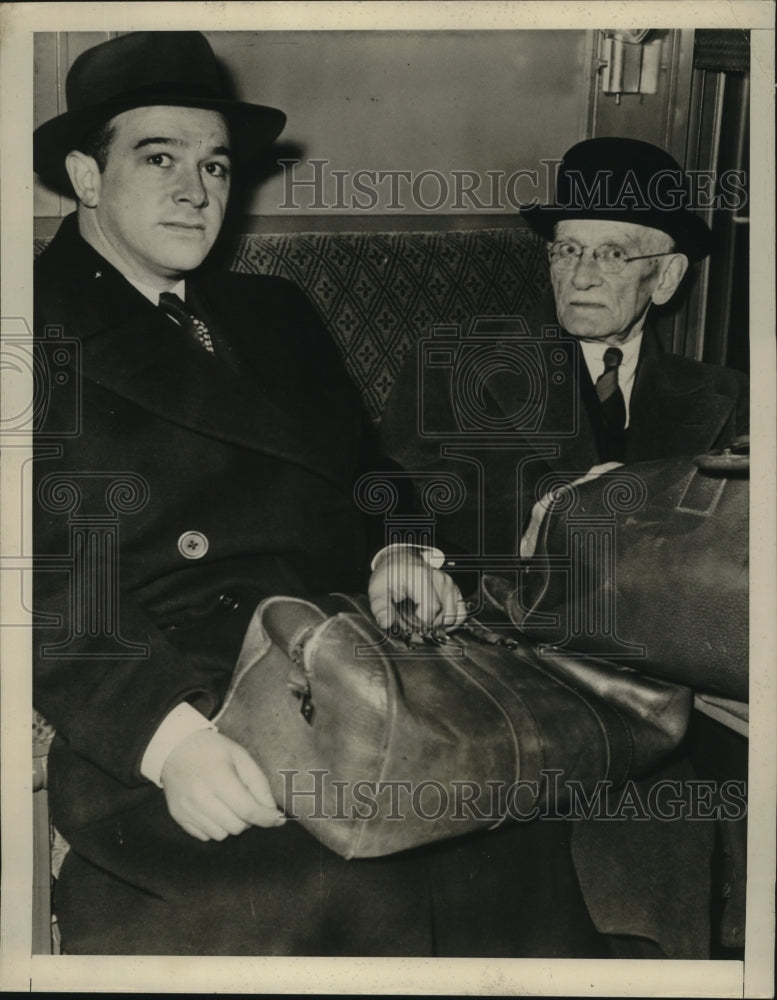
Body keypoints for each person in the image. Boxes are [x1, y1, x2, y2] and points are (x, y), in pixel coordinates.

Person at [33, 31, 609, 958]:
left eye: (216, 165)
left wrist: (398, 549)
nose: (196, 190)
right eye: (159, 158)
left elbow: (373, 473)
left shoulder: (276, 314)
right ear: (85, 176)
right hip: (178, 698)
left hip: (343, 665)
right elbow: (42, 583)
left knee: (499, 817)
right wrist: (169, 742)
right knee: (350, 886)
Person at [372, 137, 748, 634]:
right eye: (568, 249)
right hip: (509, 633)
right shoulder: (454, 361)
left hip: (670, 643)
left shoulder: (730, 397)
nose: (582, 277)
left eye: (614, 254)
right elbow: (399, 507)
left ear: (666, 277)